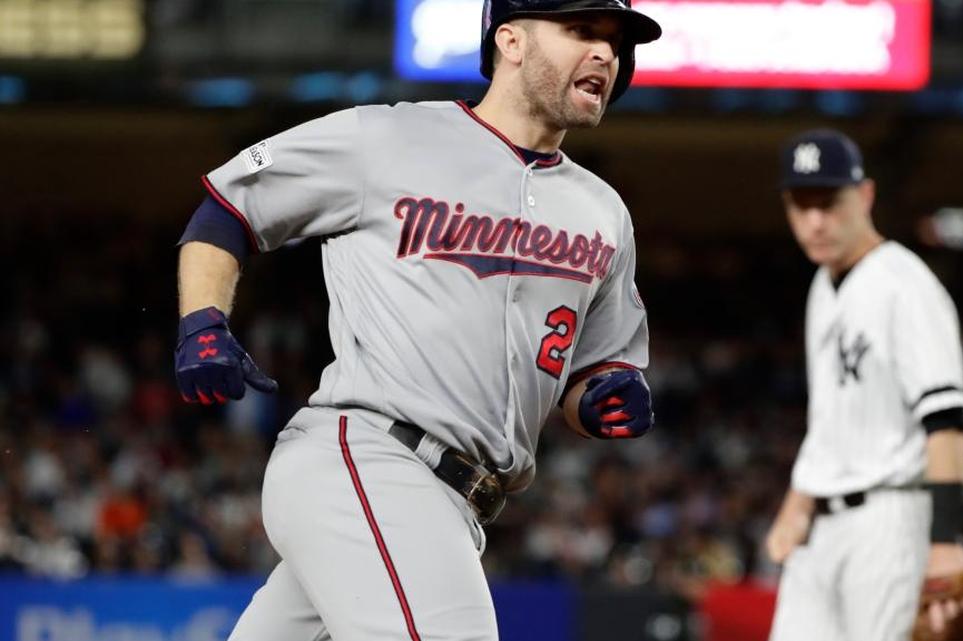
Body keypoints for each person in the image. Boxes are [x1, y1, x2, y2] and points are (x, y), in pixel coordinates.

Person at [173, 2, 661, 639]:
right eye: (582, 31)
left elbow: (594, 365)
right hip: (369, 457)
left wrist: (599, 395)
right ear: (510, 41)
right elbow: (227, 207)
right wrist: (202, 323)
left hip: (456, 503)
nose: (605, 52)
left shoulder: (602, 212)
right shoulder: (388, 138)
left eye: (614, 40)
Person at [765, 130, 963, 641]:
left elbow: (946, 419)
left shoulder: (905, 285)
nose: (815, 221)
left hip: (889, 516)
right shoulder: (824, 283)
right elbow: (833, 418)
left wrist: (945, 540)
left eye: (829, 203)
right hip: (824, 520)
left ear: (864, 196)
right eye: (801, 206)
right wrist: (797, 502)